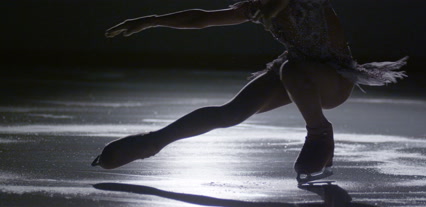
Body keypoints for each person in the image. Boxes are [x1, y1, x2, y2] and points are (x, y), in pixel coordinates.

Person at [92, 0, 407, 184]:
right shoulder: (256, 7)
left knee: (291, 70)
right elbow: (200, 18)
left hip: (333, 79)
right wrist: (151, 21)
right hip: (294, 69)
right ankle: (152, 142)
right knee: (229, 113)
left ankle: (319, 133)